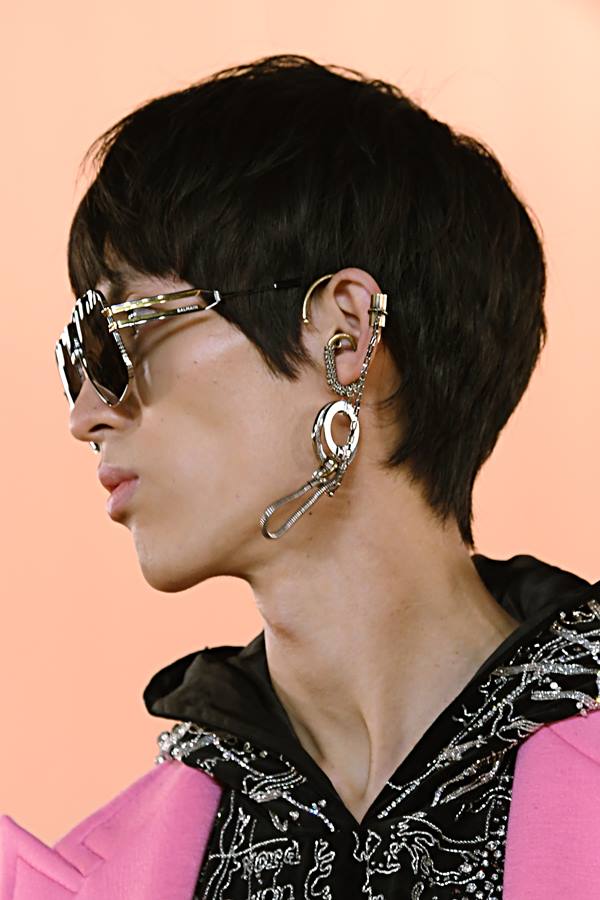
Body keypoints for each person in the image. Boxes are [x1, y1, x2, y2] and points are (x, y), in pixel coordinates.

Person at [2, 54, 599, 899]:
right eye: (76, 361)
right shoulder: (95, 878)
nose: (87, 415)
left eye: (112, 338)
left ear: (342, 334)